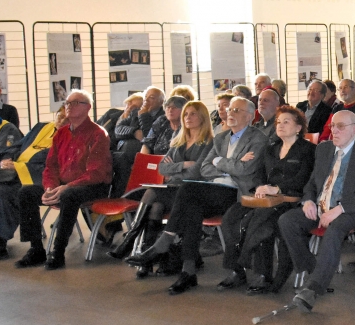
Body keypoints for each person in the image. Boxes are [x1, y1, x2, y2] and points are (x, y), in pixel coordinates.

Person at [125, 97, 268, 294]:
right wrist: (228, 164)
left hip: (237, 194)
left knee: (187, 189)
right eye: (230, 109)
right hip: (212, 191)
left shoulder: (258, 138)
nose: (230, 113)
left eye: (237, 110)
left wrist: (220, 161)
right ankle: (187, 271)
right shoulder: (221, 138)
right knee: (192, 208)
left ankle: (165, 242)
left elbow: (245, 170)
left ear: (250, 116)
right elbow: (205, 169)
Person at [278, 110, 355, 312]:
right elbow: (312, 182)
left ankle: (313, 289)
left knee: (336, 228)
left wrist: (340, 209)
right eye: (332, 126)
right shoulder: (324, 149)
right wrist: (308, 200)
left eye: (340, 126)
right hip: (321, 207)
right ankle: (315, 270)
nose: (334, 130)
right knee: (287, 220)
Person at [107, 101, 214, 276]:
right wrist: (184, 164)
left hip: (191, 194)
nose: (188, 117)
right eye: (186, 114)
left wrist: (176, 168)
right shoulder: (179, 141)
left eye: (193, 113)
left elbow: (196, 172)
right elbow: (162, 168)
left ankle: (132, 240)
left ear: (202, 117)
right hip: (172, 189)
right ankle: (145, 259)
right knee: (155, 207)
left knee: (152, 193)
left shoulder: (209, 142)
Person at [217, 106, 315, 294]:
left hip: (290, 199)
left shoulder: (308, 149)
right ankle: (237, 270)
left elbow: (305, 178)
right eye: (278, 122)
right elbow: (258, 175)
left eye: (286, 122)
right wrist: (261, 187)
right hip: (265, 199)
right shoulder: (271, 149)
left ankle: (262, 274)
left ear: (298, 127)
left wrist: (277, 188)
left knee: (263, 222)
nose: (280, 125)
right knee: (232, 216)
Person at [14, 90, 112, 270]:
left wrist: (66, 187)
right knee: (26, 192)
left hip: (92, 185)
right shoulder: (61, 133)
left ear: (88, 107)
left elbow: (96, 172)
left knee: (70, 196)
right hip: (63, 185)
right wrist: (50, 188)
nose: (69, 106)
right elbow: (50, 166)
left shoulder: (98, 134)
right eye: (67, 103)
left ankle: (58, 252)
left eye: (75, 103)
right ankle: (36, 249)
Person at [0, 108, 66, 261]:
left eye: (66, 116)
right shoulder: (42, 127)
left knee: (0, 193)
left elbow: (54, 164)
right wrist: (7, 158)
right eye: (60, 114)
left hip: (40, 179)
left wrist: (18, 167)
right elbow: (19, 144)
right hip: (16, 173)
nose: (61, 118)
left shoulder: (71, 136)